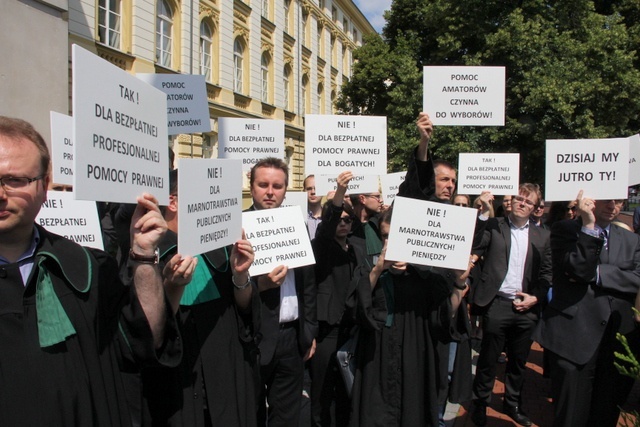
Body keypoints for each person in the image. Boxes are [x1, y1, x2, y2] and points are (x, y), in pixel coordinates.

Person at [0, 116, 180, 425]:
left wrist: (144, 254)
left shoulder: (86, 269)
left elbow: (143, 339)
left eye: (14, 180)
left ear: (45, 187)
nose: (1, 193)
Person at [141, 169, 259, 426]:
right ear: (172, 202)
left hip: (227, 378)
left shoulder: (222, 246)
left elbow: (244, 310)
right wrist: (172, 286)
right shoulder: (147, 253)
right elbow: (146, 331)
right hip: (178, 388)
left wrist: (241, 276)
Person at [347, 207, 470, 427]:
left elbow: (443, 316)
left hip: (415, 355)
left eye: (398, 236)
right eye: (386, 236)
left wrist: (459, 284)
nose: (391, 241)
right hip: (377, 357)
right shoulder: (370, 266)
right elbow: (356, 308)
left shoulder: (426, 275)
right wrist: (378, 269)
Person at [533, 192, 640, 426]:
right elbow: (579, 270)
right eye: (608, 199)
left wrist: (599, 273)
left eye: (619, 201)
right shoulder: (566, 230)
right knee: (571, 417)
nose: (613, 206)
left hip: (616, 341)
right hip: (574, 338)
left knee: (605, 414)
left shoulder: (631, 240)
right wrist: (589, 227)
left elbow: (637, 278)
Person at [397, 112, 473, 425]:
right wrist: (424, 143)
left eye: (453, 182)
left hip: (445, 312)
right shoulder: (416, 207)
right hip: (414, 313)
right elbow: (416, 183)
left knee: (442, 380)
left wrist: (459, 280)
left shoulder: (457, 218)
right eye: (444, 179)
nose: (449, 185)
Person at [470, 186, 552, 427]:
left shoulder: (543, 236)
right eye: (519, 198)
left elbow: (547, 274)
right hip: (497, 304)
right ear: (512, 201)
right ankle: (480, 404)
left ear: (535, 208)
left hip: (526, 307)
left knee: (518, 361)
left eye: (528, 201)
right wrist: (483, 214)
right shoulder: (495, 226)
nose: (522, 203)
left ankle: (512, 404)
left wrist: (535, 298)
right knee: (488, 359)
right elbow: (476, 245)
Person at [247, 157, 318, 427]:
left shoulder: (296, 225)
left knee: (287, 416)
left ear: (286, 189)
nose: (270, 191)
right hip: (254, 338)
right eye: (263, 184)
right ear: (252, 186)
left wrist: (309, 331)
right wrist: (260, 284)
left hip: (293, 338)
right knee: (251, 413)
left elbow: (308, 283)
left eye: (277, 186)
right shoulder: (239, 227)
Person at [309, 171, 368, 427]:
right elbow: (329, 223)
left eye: (347, 219)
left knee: (347, 389)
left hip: (351, 327)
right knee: (322, 389)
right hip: (327, 327)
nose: (343, 223)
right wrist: (340, 193)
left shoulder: (357, 248)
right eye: (339, 219)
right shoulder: (320, 244)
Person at [305, 174, 323, 238]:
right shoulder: (298, 217)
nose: (313, 192)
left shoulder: (329, 216)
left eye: (316, 188)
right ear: (303, 191)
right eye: (309, 189)